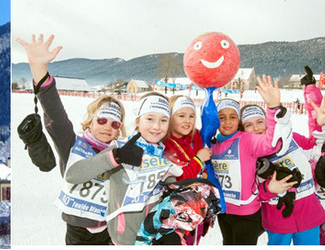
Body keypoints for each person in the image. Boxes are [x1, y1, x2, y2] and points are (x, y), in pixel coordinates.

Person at [16, 34, 127, 245]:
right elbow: (55, 113)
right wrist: (38, 68)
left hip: (110, 231)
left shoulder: (121, 152)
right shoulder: (73, 145)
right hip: (78, 233)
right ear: (90, 122)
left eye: (115, 124)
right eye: (102, 119)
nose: (107, 127)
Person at [65, 92, 181, 245]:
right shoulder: (121, 148)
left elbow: (164, 201)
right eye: (150, 119)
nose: (156, 126)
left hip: (150, 241)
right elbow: (73, 175)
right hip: (121, 241)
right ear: (138, 121)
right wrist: (115, 157)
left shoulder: (162, 158)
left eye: (163, 120)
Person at [211, 75, 296, 245]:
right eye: (222, 117)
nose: (227, 122)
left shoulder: (246, 140)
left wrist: (273, 109)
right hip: (224, 212)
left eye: (233, 117)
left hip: (247, 215)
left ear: (238, 121)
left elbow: (271, 143)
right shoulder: (214, 145)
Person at [238, 99, 325, 245]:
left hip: (308, 215)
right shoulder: (247, 155)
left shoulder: (291, 139)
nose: (256, 128)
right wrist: (269, 189)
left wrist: (321, 124)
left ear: (268, 122)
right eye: (249, 125)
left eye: (260, 122)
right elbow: (249, 194)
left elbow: (318, 151)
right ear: (242, 130)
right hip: (278, 220)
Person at [160, 95, 214, 245]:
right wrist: (198, 160)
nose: (187, 120)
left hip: (198, 208)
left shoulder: (196, 136)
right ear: (170, 117)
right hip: (177, 215)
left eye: (191, 116)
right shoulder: (165, 144)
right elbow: (178, 180)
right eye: (181, 116)